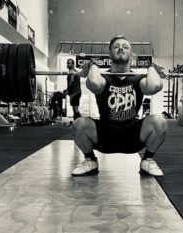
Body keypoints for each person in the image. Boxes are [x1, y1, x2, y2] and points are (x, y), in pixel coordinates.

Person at [71, 34, 167, 176]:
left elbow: (154, 87)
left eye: (125, 46)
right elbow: (95, 85)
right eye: (116, 47)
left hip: (132, 136)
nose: (120, 48)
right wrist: (92, 65)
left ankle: (147, 160)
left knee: (159, 121)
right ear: (110, 53)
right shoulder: (103, 78)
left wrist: (151, 67)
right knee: (79, 124)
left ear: (131, 53)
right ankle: (90, 160)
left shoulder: (138, 79)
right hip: (105, 136)